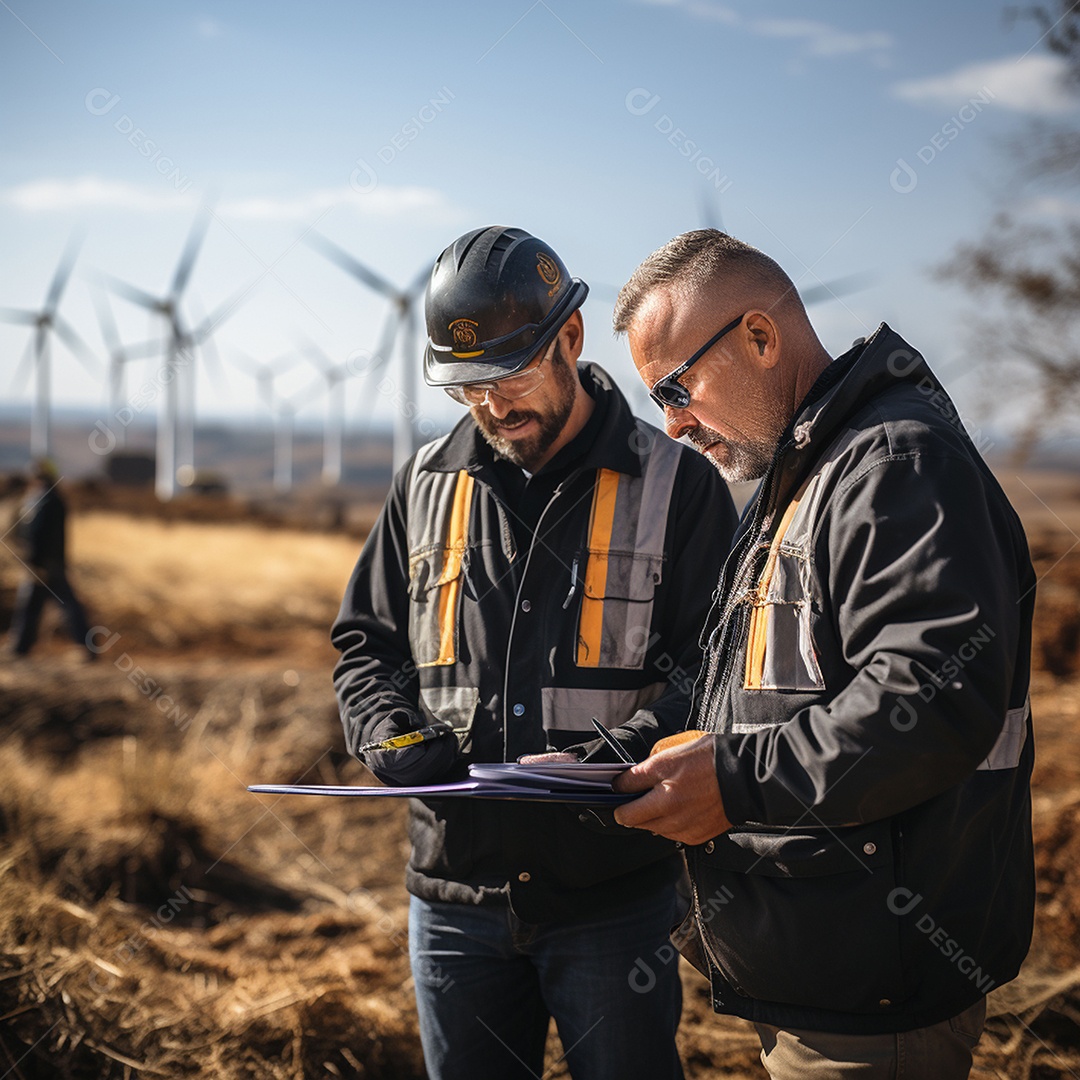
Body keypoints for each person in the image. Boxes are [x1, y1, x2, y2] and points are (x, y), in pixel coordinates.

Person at [609, 229, 1035, 1080]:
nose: (673, 424)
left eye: (675, 386)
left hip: (877, 993)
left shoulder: (893, 463)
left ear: (760, 338)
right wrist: (616, 752)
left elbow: (931, 702)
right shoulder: (803, 478)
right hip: (826, 973)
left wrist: (732, 782)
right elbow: (754, 694)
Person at [331, 225, 738, 1080]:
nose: (490, 405)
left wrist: (626, 750)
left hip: (611, 900)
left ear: (571, 340)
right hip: (453, 901)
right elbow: (366, 646)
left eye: (508, 375)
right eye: (465, 387)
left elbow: (717, 669)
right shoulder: (422, 485)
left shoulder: (678, 486)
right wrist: (387, 729)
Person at [8, 458, 94, 660]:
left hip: (46, 565)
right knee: (32, 605)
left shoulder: (47, 501)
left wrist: (39, 562)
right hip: (42, 564)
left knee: (66, 606)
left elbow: (43, 535)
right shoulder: (40, 499)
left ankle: (86, 648)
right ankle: (20, 648)